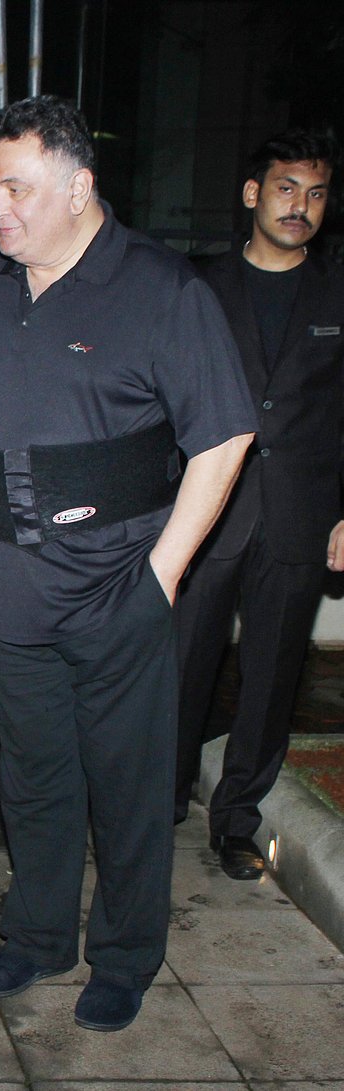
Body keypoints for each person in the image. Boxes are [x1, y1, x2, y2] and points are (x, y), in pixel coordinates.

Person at [0, 95, 256, 1032]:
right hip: (12, 587)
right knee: (33, 777)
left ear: (80, 187)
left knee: (128, 785)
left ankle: (125, 956)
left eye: (17, 188)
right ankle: (39, 935)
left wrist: (162, 573)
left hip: (119, 584)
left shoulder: (162, 289)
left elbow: (226, 435)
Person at [175, 131, 344, 880]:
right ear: (253, 193)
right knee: (180, 667)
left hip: (301, 513)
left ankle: (238, 821)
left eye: (315, 193)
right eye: (286, 188)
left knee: (273, 678)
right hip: (207, 510)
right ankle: (161, 798)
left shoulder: (338, 290)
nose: (299, 206)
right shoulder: (199, 286)